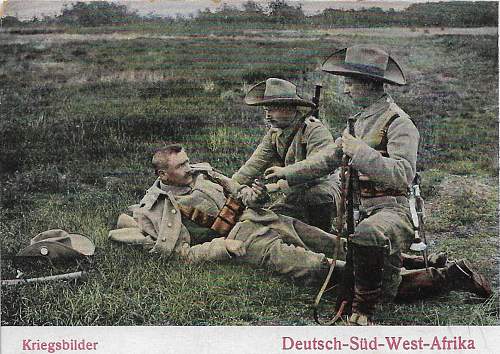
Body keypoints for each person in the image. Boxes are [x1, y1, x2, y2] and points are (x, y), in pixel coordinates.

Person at [108, 145, 491, 319]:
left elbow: (239, 197)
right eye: (182, 166)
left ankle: (406, 260)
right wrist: (224, 249)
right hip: (246, 243)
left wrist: (237, 187)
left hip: (259, 221)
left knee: (333, 242)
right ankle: (441, 278)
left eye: (189, 161)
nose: (191, 168)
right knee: (323, 267)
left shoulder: (204, 177)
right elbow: (177, 253)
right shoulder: (158, 208)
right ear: (162, 175)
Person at [263, 45, 428, 325]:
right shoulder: (359, 122)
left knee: (379, 275)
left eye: (350, 83)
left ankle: (364, 310)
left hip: (393, 212)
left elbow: (403, 175)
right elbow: (325, 161)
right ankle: (439, 274)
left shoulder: (400, 123)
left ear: (369, 84)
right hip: (362, 215)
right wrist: (286, 174)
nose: (346, 90)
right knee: (386, 287)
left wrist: (360, 152)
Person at [232, 78, 340, 232]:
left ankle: (326, 237)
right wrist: (230, 186)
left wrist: (276, 186)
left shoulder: (314, 130)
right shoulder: (274, 134)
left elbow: (320, 171)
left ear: (291, 108)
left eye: (273, 109)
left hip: (326, 190)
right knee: (273, 220)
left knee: (317, 196)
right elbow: (253, 165)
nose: (268, 116)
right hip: (294, 192)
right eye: (266, 110)